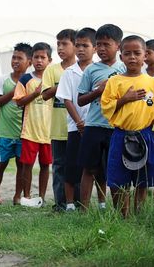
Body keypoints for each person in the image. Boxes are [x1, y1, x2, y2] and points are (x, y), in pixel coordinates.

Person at [101, 35, 154, 217]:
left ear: (145, 55)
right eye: (127, 53)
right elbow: (106, 107)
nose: (132, 57)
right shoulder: (114, 81)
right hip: (121, 135)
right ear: (121, 56)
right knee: (117, 180)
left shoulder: (153, 83)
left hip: (145, 135)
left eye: (137, 53)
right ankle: (123, 216)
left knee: (142, 180)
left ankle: (138, 215)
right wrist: (124, 99)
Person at [77, 24, 124, 211]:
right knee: (89, 168)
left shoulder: (125, 69)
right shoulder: (91, 70)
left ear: (118, 46)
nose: (102, 49)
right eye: (99, 44)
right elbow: (80, 100)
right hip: (94, 125)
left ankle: (120, 211)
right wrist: (99, 91)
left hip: (117, 127)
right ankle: (84, 210)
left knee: (116, 169)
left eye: (107, 44)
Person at [55, 28, 96, 211]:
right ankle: (70, 205)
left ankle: (91, 204)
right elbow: (66, 99)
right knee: (71, 167)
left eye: (85, 45)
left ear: (94, 48)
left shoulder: (99, 71)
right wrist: (79, 122)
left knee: (94, 168)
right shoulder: (69, 73)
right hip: (75, 127)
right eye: (78, 45)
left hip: (96, 126)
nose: (80, 49)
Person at [0, 43, 32, 205]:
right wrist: (14, 92)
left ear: (28, 61)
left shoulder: (30, 81)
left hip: (24, 132)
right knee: (0, 164)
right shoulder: (3, 79)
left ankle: (17, 196)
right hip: (4, 132)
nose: (15, 61)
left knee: (22, 165)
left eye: (19, 58)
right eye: (14, 57)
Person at [41, 29, 77, 211]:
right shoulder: (52, 70)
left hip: (79, 127)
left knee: (79, 165)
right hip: (58, 129)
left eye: (65, 44)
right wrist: (64, 83)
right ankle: (60, 204)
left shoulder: (81, 69)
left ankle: (78, 203)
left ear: (75, 45)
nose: (60, 48)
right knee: (59, 166)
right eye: (58, 44)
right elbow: (46, 94)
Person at [13, 42, 52, 206]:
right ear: (31, 60)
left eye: (43, 57)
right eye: (36, 57)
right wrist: (35, 94)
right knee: (26, 165)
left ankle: (41, 197)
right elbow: (19, 102)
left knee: (45, 165)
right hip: (29, 130)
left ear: (49, 60)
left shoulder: (53, 78)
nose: (39, 61)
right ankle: (26, 196)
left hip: (49, 131)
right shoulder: (26, 79)